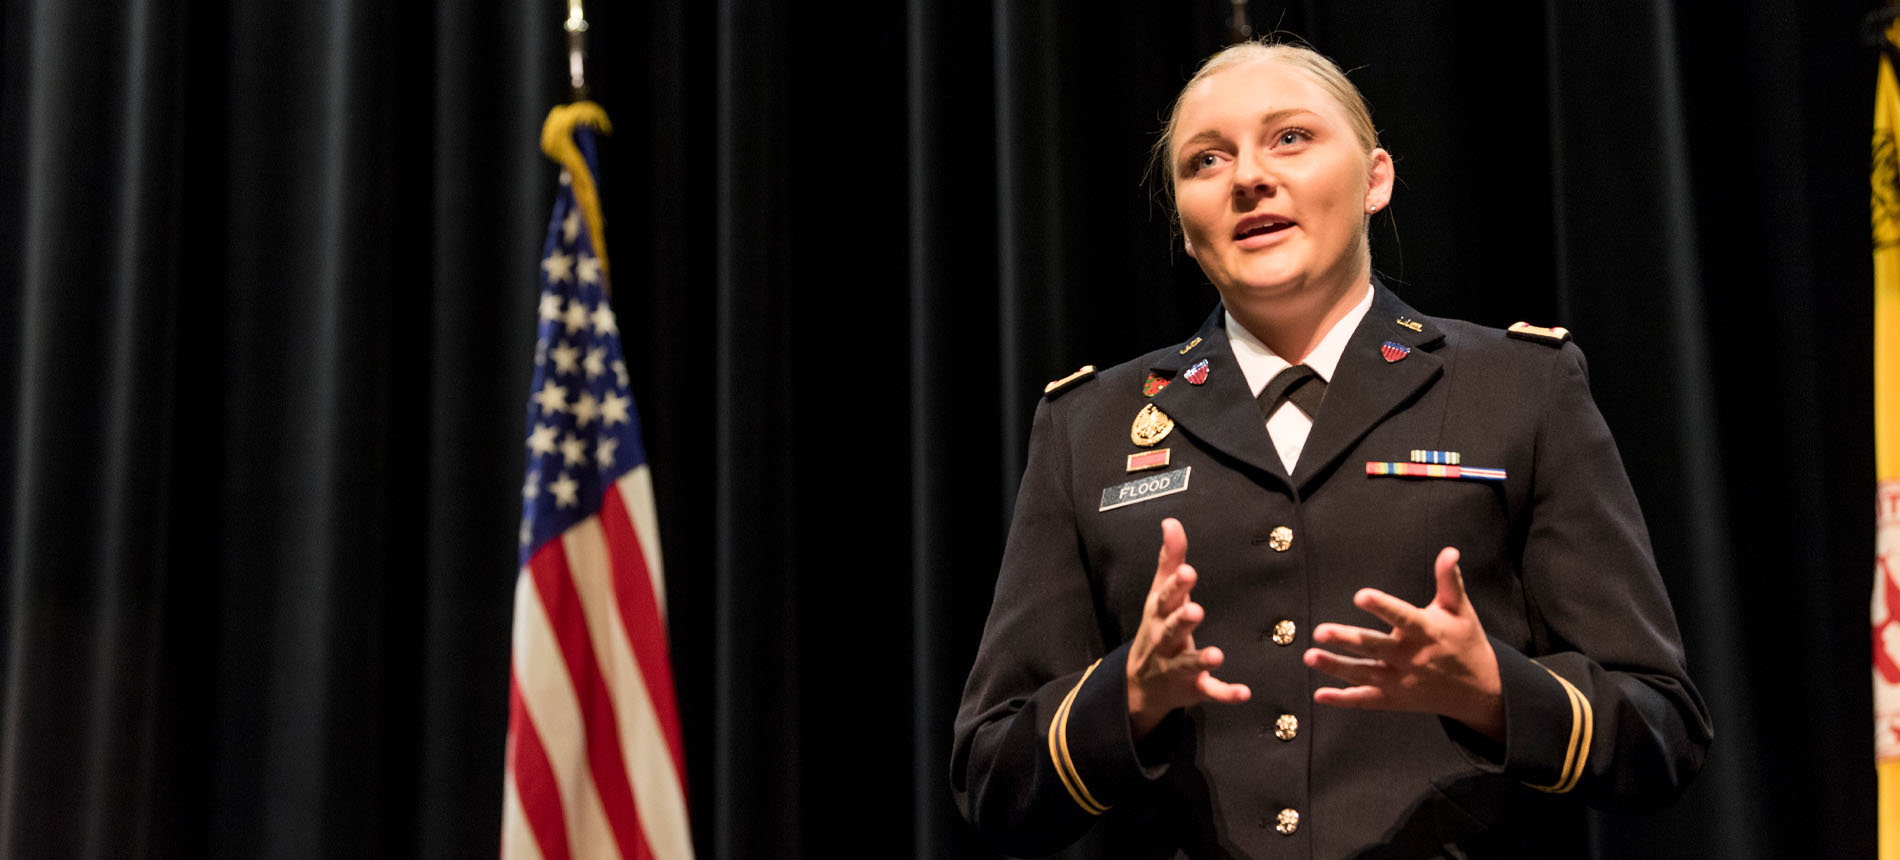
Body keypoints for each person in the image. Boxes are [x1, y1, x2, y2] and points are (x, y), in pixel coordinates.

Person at [950, 40, 1711, 859]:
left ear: (1375, 178)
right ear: (1182, 219)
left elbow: (1660, 731)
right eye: (1206, 160)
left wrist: (1494, 691)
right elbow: (993, 780)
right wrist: (1125, 696)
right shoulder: (1089, 427)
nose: (1248, 176)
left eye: (1290, 138)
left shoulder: (1518, 389)